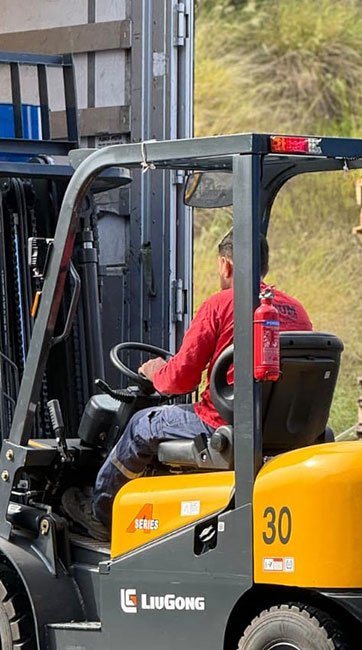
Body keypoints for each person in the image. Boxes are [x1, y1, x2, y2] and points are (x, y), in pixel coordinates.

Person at [62, 230, 313, 541]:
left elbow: (180, 379)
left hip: (223, 424)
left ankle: (101, 513)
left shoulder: (221, 305)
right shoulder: (296, 310)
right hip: (283, 429)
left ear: (225, 264)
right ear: (265, 266)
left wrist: (156, 372)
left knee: (143, 424)